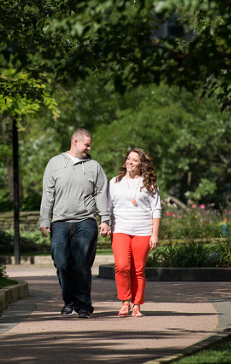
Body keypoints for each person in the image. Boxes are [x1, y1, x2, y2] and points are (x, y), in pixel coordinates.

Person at [40, 127, 111, 319]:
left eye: (90, 145)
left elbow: (100, 193)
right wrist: (44, 220)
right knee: (62, 264)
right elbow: (48, 194)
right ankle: (69, 302)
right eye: (87, 145)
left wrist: (105, 219)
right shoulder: (55, 163)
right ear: (75, 142)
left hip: (85, 221)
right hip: (60, 222)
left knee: (82, 265)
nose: (89, 148)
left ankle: (83, 306)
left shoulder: (94, 166)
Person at [107, 148, 161, 317]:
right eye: (128, 159)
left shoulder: (150, 185)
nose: (130, 162)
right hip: (120, 230)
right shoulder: (114, 182)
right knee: (122, 266)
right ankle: (125, 301)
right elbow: (108, 208)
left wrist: (155, 234)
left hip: (143, 231)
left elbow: (156, 210)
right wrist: (106, 224)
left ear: (142, 165)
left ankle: (136, 304)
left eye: (135, 160)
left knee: (138, 269)